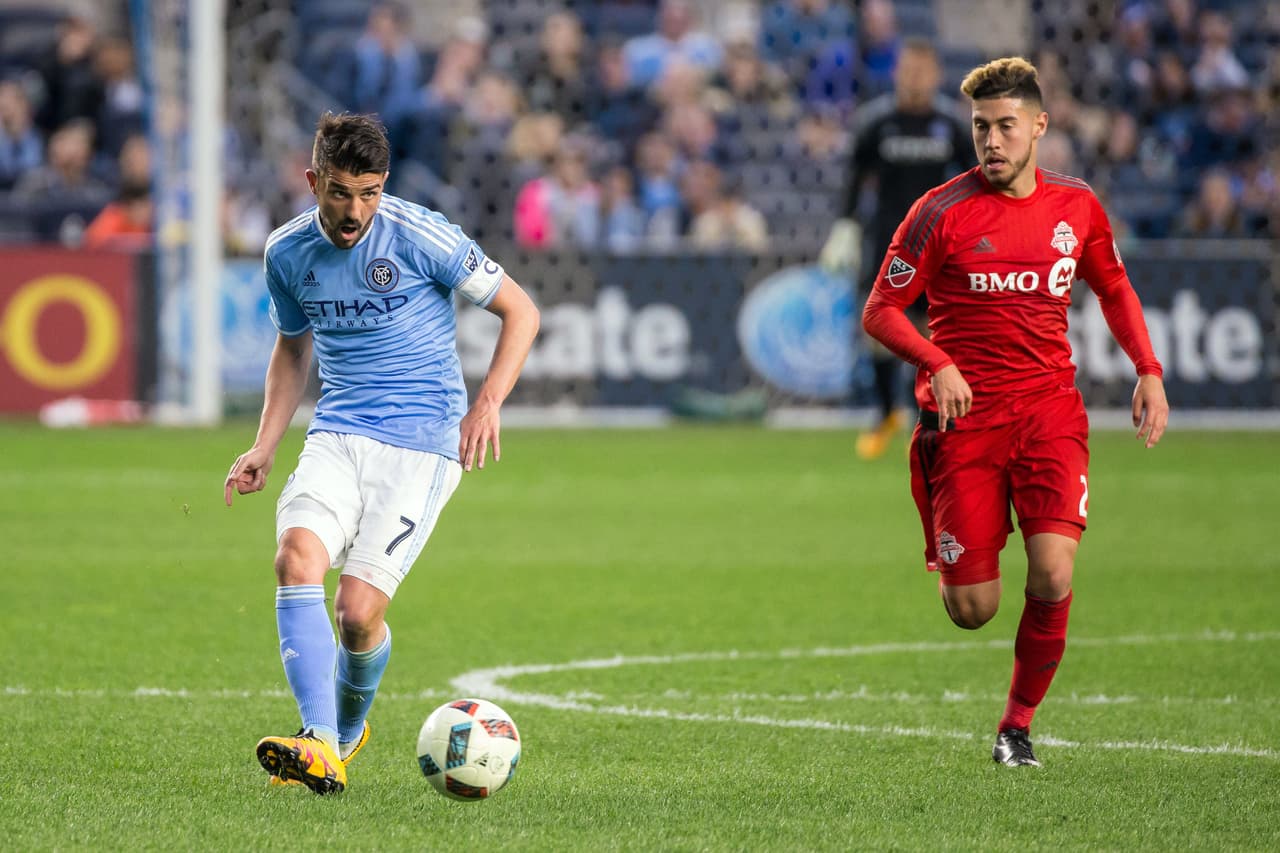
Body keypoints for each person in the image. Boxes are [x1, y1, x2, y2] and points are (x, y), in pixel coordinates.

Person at [861, 57, 1169, 767]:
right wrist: (937, 361)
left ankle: (1016, 727)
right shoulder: (939, 211)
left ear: (1039, 126)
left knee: (1054, 572)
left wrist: (1148, 370)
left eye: (1005, 125)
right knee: (972, 609)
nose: (991, 141)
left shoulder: (1077, 207)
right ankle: (940, 497)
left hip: (1049, 413)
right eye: (980, 127)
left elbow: (1114, 287)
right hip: (965, 424)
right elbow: (881, 309)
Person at [224, 112, 540, 794]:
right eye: (340, 192)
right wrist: (264, 444)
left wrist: (488, 402)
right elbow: (292, 349)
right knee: (294, 558)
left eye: (369, 193)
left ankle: (341, 733)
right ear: (313, 181)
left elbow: (522, 311)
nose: (354, 211)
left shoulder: (422, 234)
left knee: (358, 614)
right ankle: (320, 740)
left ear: (384, 184)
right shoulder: (286, 253)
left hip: (422, 445)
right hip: (337, 432)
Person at [819, 38, 973, 459]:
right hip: (890, 244)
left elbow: (973, 182)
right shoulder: (876, 123)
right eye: (908, 70)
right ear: (896, 72)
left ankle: (929, 417)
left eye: (922, 71)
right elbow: (855, 179)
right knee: (881, 327)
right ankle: (887, 412)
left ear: (936, 75)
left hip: (937, 245)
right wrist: (846, 226)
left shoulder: (951, 125)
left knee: (931, 331)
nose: (915, 79)